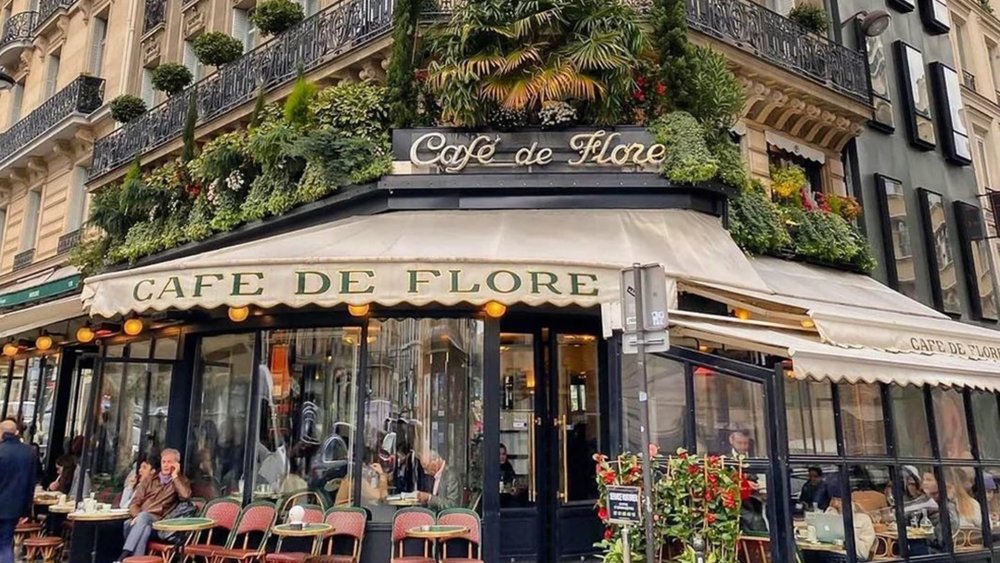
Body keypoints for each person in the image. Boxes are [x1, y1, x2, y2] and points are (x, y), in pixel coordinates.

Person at [119, 449, 191, 561]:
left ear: (176, 464)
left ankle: (124, 555)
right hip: (140, 523)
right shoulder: (149, 480)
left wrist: (176, 477)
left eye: (169, 462)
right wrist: (137, 517)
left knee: (143, 518)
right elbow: (134, 503)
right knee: (143, 527)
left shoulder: (181, 481)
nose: (166, 465)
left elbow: (186, 496)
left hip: (158, 525)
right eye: (164, 462)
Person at [0, 419, 37, 563]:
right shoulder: (29, 452)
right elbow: (31, 483)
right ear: (16, 432)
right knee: (5, 543)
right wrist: (26, 509)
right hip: (14, 507)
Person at [826, 491, 876, 561]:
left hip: (849, 557)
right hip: (829, 554)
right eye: (834, 500)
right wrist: (828, 518)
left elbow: (863, 553)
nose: (836, 504)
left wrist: (842, 524)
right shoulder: (831, 515)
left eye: (839, 500)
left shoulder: (863, 519)